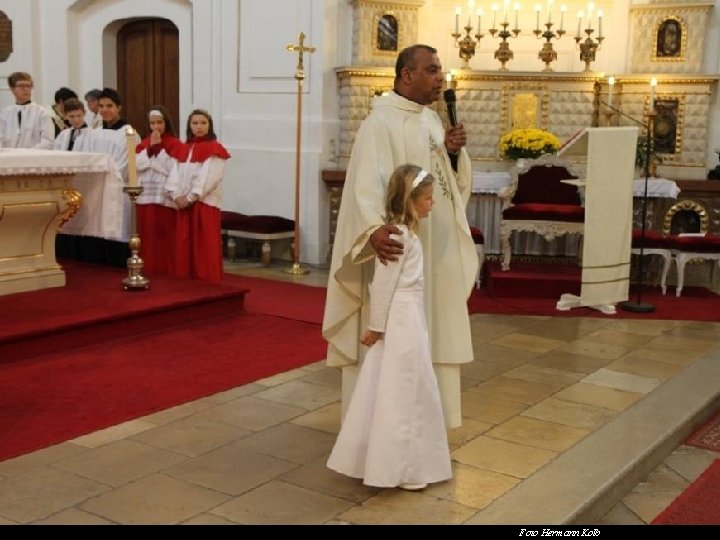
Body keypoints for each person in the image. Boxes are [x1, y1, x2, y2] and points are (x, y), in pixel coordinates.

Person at [322, 44, 478, 429]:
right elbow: (364, 185)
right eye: (432, 70)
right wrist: (372, 228)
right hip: (397, 252)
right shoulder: (379, 123)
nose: (441, 78)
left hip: (433, 251)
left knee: (434, 330)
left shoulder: (431, 121)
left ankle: (427, 423)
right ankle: (382, 426)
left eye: (440, 70)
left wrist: (452, 154)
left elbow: (446, 187)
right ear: (407, 75)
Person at [327, 164, 452, 491]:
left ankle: (405, 462)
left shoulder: (407, 234)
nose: (432, 203)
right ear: (411, 200)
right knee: (403, 387)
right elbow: (382, 285)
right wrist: (377, 326)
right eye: (427, 198)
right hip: (400, 319)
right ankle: (401, 468)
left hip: (410, 316)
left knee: (408, 384)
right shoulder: (397, 236)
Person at [166, 109, 230, 283]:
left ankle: (206, 282)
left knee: (203, 246)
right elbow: (174, 175)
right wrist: (176, 195)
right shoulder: (184, 148)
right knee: (184, 245)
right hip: (183, 205)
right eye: (195, 123)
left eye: (203, 123)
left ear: (210, 126)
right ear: (189, 126)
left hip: (203, 204)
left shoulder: (215, 149)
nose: (199, 127)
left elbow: (209, 178)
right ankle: (185, 282)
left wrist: (190, 198)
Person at [135, 106, 185, 275]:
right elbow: (136, 166)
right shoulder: (143, 143)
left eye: (159, 122)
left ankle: (167, 270)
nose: (156, 127)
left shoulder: (175, 144)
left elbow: (173, 169)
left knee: (165, 235)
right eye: (152, 123)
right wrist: (150, 149)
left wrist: (157, 151)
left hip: (165, 196)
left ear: (166, 123)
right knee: (148, 234)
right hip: (146, 196)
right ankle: (148, 269)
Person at [0, 72, 54, 149]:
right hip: (9, 155)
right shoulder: (5, 113)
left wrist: (26, 153)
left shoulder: (41, 113)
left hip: (33, 155)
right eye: (21, 86)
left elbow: (48, 142)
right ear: (12, 89)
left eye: (28, 86)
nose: (26, 89)